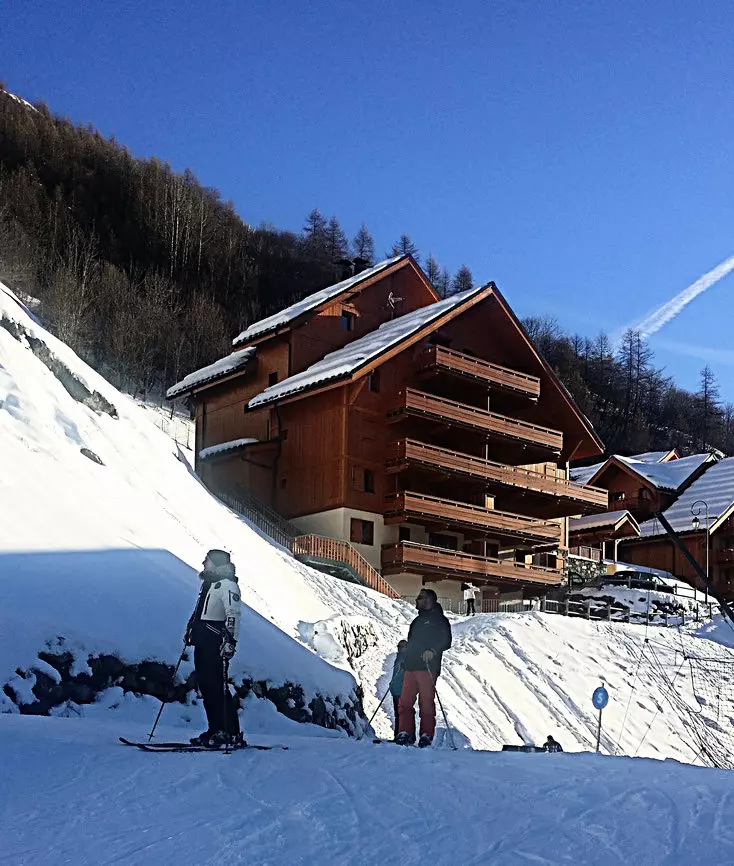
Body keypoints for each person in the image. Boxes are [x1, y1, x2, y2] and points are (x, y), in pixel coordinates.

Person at [185, 549, 243, 747]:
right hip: (202, 640)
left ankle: (230, 732)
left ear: (217, 563)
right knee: (206, 686)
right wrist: (190, 629)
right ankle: (215, 729)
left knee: (217, 687)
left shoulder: (227, 585)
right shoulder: (209, 583)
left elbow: (233, 613)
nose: (204, 563)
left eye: (207, 560)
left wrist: (230, 641)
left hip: (215, 642)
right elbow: (200, 611)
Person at [396, 588, 452, 748]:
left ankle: (426, 734)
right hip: (411, 665)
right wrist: (406, 654)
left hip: (428, 666)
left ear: (429, 600)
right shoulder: (417, 621)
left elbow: (446, 640)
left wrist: (433, 651)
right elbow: (412, 641)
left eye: (420, 598)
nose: (417, 600)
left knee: (426, 702)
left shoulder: (439, 620)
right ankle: (405, 732)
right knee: (405, 701)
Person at [389, 640, 408, 739]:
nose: (400, 648)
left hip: (401, 690)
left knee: (401, 714)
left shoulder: (406, 658)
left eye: (402, 647)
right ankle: (398, 735)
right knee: (398, 714)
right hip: (396, 690)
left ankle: (401, 735)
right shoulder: (399, 657)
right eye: (399, 647)